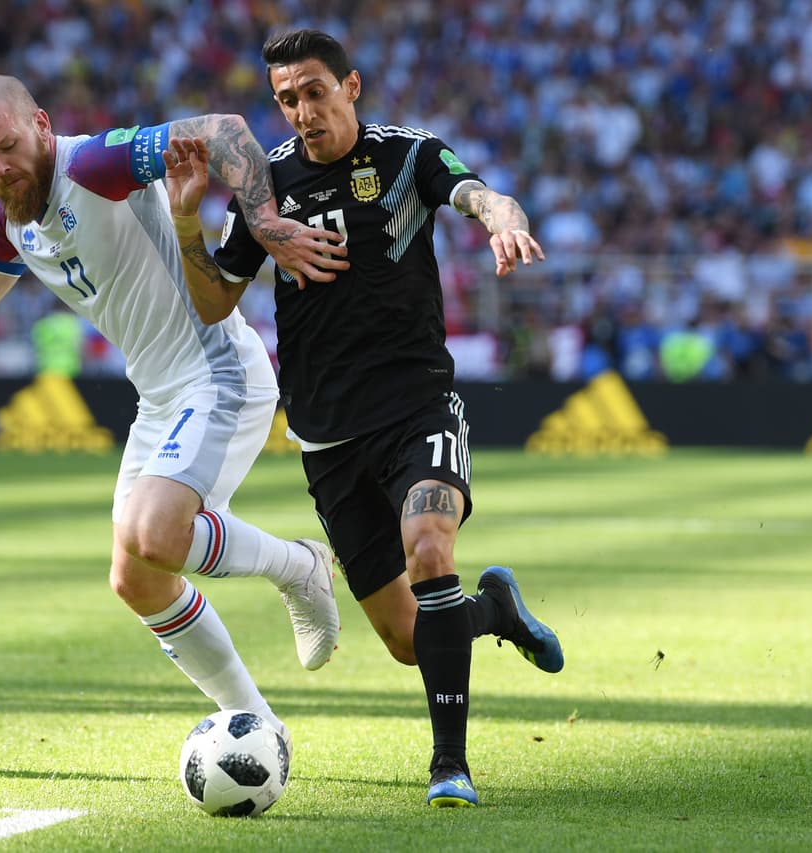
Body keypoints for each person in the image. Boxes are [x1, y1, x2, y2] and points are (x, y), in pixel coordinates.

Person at [0, 74, 346, 745]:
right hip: (159, 396)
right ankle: (256, 723)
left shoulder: (94, 164)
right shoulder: (12, 220)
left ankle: (300, 566)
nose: (0, 168)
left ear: (41, 125)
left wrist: (265, 224)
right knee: (135, 578)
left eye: (8, 146)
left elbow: (224, 132)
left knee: (157, 535)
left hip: (218, 374)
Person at [162, 29, 563, 807]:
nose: (302, 111)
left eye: (315, 91)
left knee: (430, 546)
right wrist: (185, 221)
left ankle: (450, 766)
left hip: (417, 408)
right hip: (327, 437)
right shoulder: (266, 184)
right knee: (411, 639)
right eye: (287, 99)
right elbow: (215, 301)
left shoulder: (407, 157)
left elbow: (479, 193)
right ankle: (496, 610)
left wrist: (500, 219)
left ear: (350, 86)